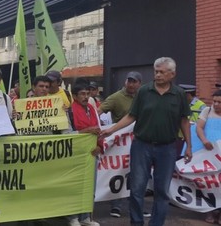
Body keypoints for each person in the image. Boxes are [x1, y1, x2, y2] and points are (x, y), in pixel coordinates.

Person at [100, 57, 192, 226]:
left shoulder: (179, 94)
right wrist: (111, 130)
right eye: (156, 71)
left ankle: (156, 223)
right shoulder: (144, 92)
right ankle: (136, 222)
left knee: (162, 191)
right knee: (136, 188)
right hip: (142, 146)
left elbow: (184, 121)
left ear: (172, 74)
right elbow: (131, 116)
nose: (157, 75)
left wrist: (189, 146)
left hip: (167, 148)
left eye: (162, 72)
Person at [97, 71, 149, 218]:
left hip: (139, 140)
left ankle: (138, 207)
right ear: (125, 82)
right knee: (119, 171)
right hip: (120, 142)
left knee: (138, 174)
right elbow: (99, 111)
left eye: (134, 81)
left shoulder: (144, 96)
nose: (131, 84)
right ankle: (116, 206)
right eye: (129, 81)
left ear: (140, 83)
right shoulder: (116, 97)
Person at [68, 83, 100, 226]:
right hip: (77, 153)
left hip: (92, 152)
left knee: (89, 186)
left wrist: (100, 146)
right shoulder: (69, 111)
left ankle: (86, 217)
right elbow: (69, 134)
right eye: (82, 94)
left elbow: (98, 129)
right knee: (75, 185)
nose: (86, 97)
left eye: (87, 93)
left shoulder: (92, 109)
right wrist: (87, 131)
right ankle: (73, 217)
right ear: (74, 96)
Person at [195, 90, 221, 223]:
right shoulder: (206, 111)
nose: (216, 104)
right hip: (208, 153)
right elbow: (199, 127)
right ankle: (211, 211)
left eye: (219, 102)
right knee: (209, 183)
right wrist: (204, 140)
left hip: (220, 154)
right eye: (214, 101)